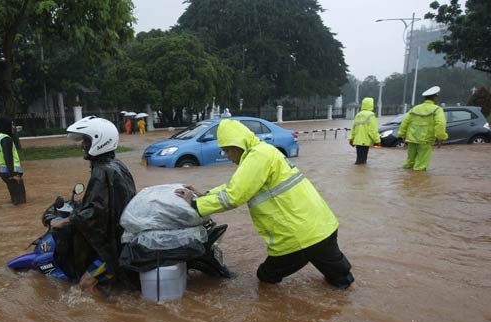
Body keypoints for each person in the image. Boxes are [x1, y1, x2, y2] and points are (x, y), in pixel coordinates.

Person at [175, 119, 354, 289]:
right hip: (323, 227)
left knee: (266, 278)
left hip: (299, 238)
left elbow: (234, 196)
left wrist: (196, 204)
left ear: (237, 145)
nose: (228, 156)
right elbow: (236, 186)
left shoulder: (257, 156)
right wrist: (205, 194)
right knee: (341, 279)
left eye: (227, 151)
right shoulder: (265, 151)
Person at [49, 117, 137, 296]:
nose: (82, 145)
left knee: (85, 284)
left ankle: (113, 316)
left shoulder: (102, 171)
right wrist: (81, 204)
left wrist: (63, 221)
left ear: (99, 140)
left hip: (112, 248)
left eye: (86, 141)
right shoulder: (115, 165)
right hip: (122, 236)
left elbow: (94, 212)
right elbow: (103, 202)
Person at [398, 86, 448, 171]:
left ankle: (406, 180)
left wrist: (401, 134)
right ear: (435, 97)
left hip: (412, 139)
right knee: (421, 165)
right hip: (425, 140)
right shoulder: (437, 109)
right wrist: (441, 137)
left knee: (409, 162)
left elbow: (405, 122)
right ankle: (417, 182)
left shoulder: (415, 108)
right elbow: (440, 124)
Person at [0, 116, 26, 205]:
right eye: (11, 125)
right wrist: (12, 175)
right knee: (21, 202)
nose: (13, 127)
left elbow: (2, 156)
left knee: (15, 200)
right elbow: (8, 157)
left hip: (5, 172)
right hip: (12, 173)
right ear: (6, 126)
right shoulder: (6, 139)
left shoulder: (0, 137)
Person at [348, 97, 380, 164]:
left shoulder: (358, 114)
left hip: (357, 141)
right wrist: (377, 140)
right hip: (365, 141)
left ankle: (357, 172)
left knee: (358, 159)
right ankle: (360, 172)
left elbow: (353, 128)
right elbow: (373, 130)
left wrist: (351, 139)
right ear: (371, 105)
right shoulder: (371, 115)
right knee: (363, 160)